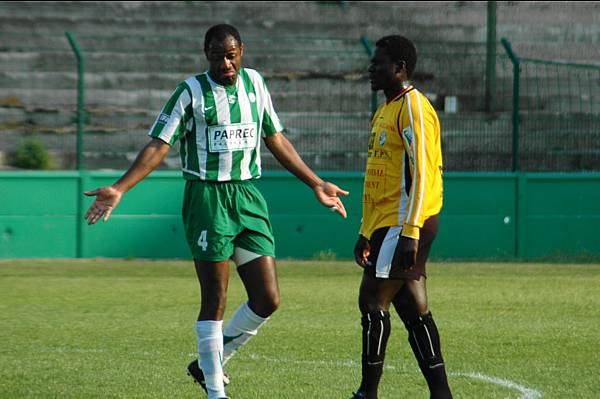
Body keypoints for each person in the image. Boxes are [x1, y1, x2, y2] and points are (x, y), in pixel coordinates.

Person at [83, 24, 349, 399]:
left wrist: (316, 182)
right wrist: (120, 187)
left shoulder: (255, 83)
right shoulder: (190, 92)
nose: (225, 63)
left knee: (268, 298)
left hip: (248, 196)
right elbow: (159, 144)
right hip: (207, 199)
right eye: (216, 56)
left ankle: (210, 360)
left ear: (242, 51)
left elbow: (273, 136)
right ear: (206, 55)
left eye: (230, 55)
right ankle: (215, 393)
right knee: (215, 298)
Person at [350, 35, 452, 399]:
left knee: (372, 300)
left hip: (405, 222)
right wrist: (365, 231)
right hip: (387, 223)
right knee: (411, 306)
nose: (371, 69)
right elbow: (378, 176)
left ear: (400, 68)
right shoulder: (385, 109)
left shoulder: (413, 107)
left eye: (378, 63)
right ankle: (441, 394)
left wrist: (410, 229)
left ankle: (367, 393)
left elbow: (423, 171)